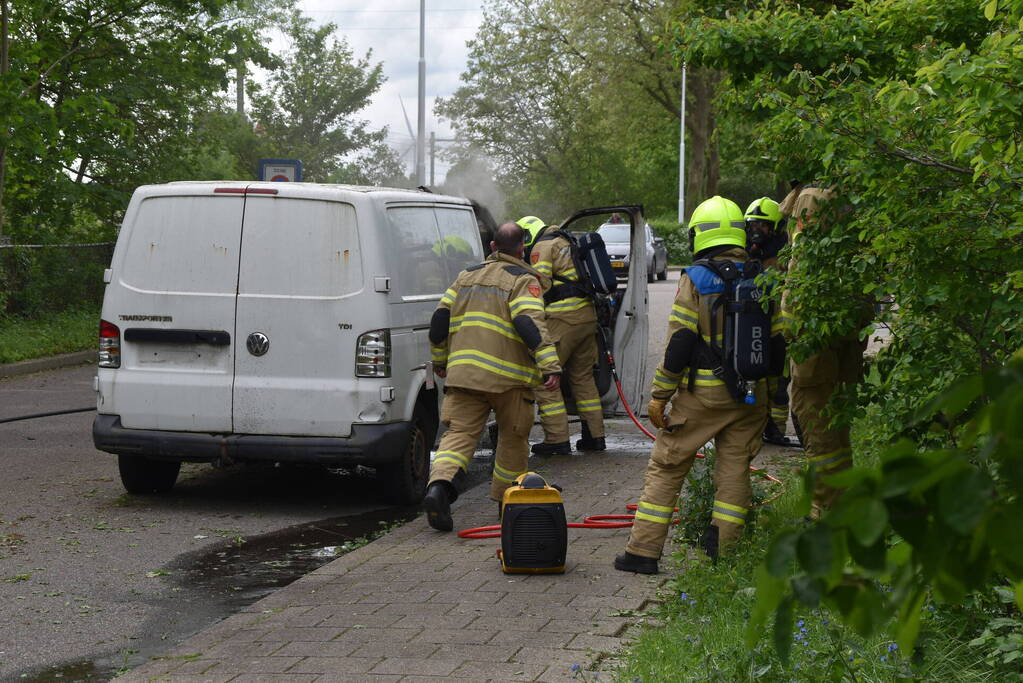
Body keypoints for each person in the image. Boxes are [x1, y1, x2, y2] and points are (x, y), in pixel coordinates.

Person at [614, 196, 782, 574]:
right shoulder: (765, 277)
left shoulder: (697, 278)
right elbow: (779, 341)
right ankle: (723, 552)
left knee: (668, 465)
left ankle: (642, 552)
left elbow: (680, 342)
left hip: (702, 398)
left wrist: (660, 395)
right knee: (734, 470)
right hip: (751, 396)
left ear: (700, 234)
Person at [423, 222, 562, 531]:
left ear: (492, 247)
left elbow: (439, 321)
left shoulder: (465, 277)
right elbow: (528, 323)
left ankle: (438, 488)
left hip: (464, 376)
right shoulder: (523, 280)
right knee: (512, 439)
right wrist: (550, 365)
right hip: (509, 380)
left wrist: (440, 361)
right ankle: (507, 506)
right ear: (522, 249)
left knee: (458, 436)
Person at [778, 183, 867, 519]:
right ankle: (842, 502)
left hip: (813, 342)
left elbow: (799, 280)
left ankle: (824, 509)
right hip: (841, 336)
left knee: (817, 424)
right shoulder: (843, 200)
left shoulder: (811, 204)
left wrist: (788, 330)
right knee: (835, 426)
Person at [517, 215, 607, 454]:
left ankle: (557, 440)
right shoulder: (567, 241)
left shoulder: (542, 246)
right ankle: (594, 437)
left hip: (563, 319)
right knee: (583, 378)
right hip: (587, 318)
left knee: (547, 378)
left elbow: (538, 285)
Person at [744, 197, 800, 448]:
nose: (756, 231)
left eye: (762, 226)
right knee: (754, 381)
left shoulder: (785, 258)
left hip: (781, 331)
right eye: (752, 225)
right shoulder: (744, 255)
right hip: (752, 328)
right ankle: (754, 428)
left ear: (775, 229)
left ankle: (776, 431)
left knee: (778, 385)